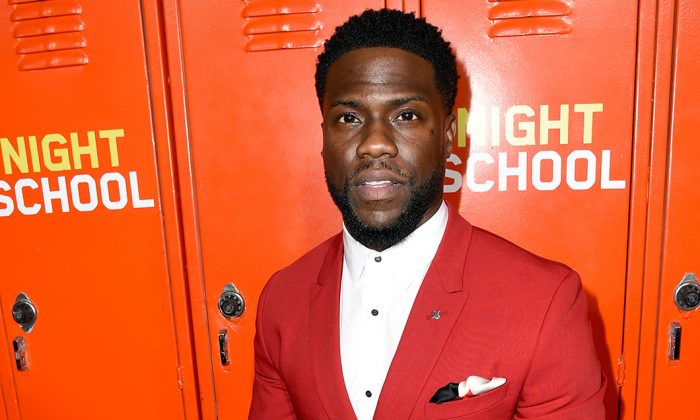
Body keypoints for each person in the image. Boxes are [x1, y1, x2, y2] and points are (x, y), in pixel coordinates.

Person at [249, 8, 605, 420]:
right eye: (349, 117)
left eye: (406, 116)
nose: (375, 144)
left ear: (449, 136)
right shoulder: (281, 299)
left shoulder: (544, 300)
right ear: (325, 139)